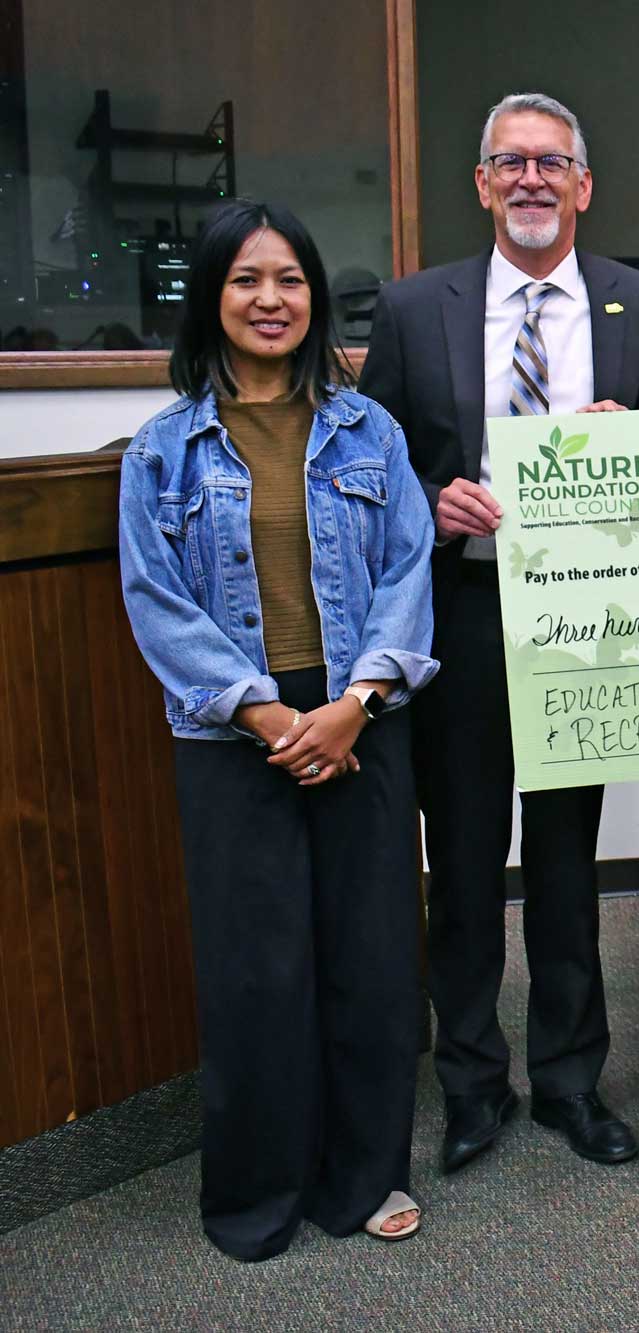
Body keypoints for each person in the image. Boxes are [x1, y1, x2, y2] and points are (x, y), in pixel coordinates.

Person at [359, 92, 639, 1172]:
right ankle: (471, 1084)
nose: (532, 179)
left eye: (553, 163)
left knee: (564, 862)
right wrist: (430, 498)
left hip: (582, 620)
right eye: (511, 162)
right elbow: (373, 468)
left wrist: (632, 441)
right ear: (483, 184)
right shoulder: (411, 309)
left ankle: (571, 1082)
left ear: (583, 185)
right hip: (463, 615)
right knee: (459, 860)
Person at [117, 200, 437, 1259]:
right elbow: (157, 599)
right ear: (212, 295)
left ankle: (364, 1174)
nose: (270, 299)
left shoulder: (368, 429)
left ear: (314, 296)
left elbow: (405, 571)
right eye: (246, 279)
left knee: (372, 957)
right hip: (231, 736)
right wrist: (265, 714)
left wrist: (355, 705)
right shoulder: (162, 450)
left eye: (290, 279)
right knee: (258, 972)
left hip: (361, 720)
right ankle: (260, 1188)